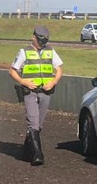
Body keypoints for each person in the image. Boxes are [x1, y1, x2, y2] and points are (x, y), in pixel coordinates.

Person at [8, 25, 63, 166]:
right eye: (40, 40)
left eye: (44, 41)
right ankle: (38, 154)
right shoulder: (24, 52)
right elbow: (12, 70)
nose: (42, 44)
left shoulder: (50, 51)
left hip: (46, 92)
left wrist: (53, 82)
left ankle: (27, 152)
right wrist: (23, 81)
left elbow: (59, 69)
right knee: (33, 123)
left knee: (39, 124)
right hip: (30, 93)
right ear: (33, 37)